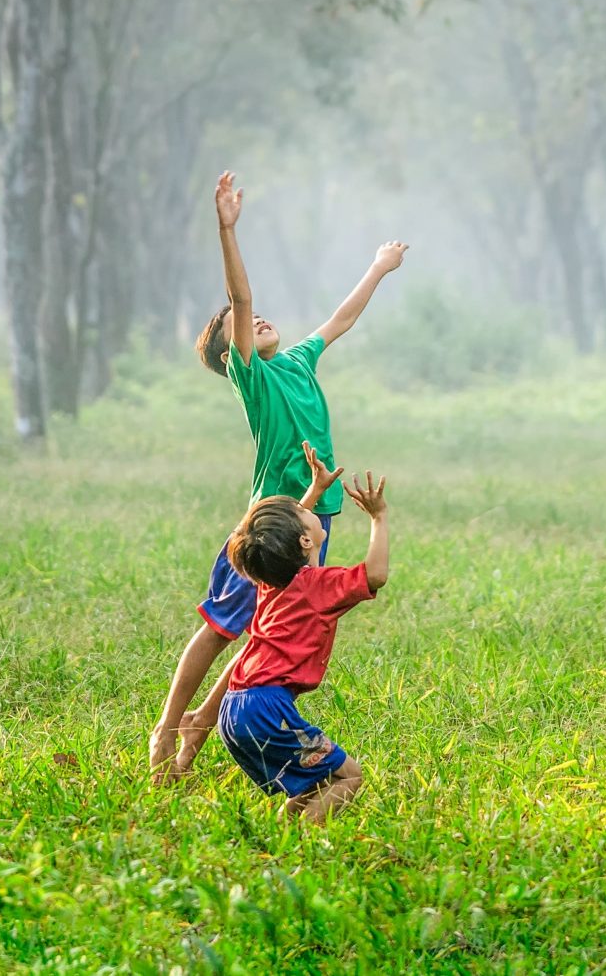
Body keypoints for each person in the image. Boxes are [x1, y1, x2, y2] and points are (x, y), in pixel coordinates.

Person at [147, 169, 407, 782]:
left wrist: (378, 267)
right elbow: (239, 298)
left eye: (260, 316)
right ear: (228, 355)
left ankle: (192, 746)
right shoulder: (254, 378)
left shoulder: (296, 361)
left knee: (268, 635)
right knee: (220, 627)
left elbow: (340, 319)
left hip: (317, 518)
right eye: (240, 325)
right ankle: (168, 728)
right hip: (270, 522)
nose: (257, 318)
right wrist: (226, 229)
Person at [214, 468, 391, 823]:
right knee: (350, 776)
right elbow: (376, 574)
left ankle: (281, 834)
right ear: (305, 542)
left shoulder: (271, 580)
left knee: (314, 781)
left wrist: (314, 490)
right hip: (267, 710)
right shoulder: (318, 586)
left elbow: (278, 539)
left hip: (233, 709)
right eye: (303, 511)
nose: (305, 508)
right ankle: (304, 843)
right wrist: (379, 517)